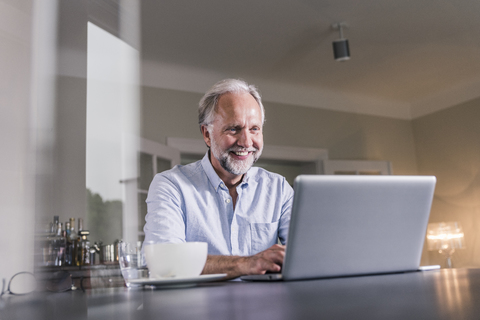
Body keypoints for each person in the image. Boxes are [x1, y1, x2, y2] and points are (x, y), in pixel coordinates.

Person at [144, 79, 293, 279]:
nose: (246, 142)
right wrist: (248, 263)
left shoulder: (279, 188)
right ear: (207, 134)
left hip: (265, 308)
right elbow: (164, 263)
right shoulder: (171, 185)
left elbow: (308, 254)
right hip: (195, 309)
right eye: (234, 129)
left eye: (254, 129)